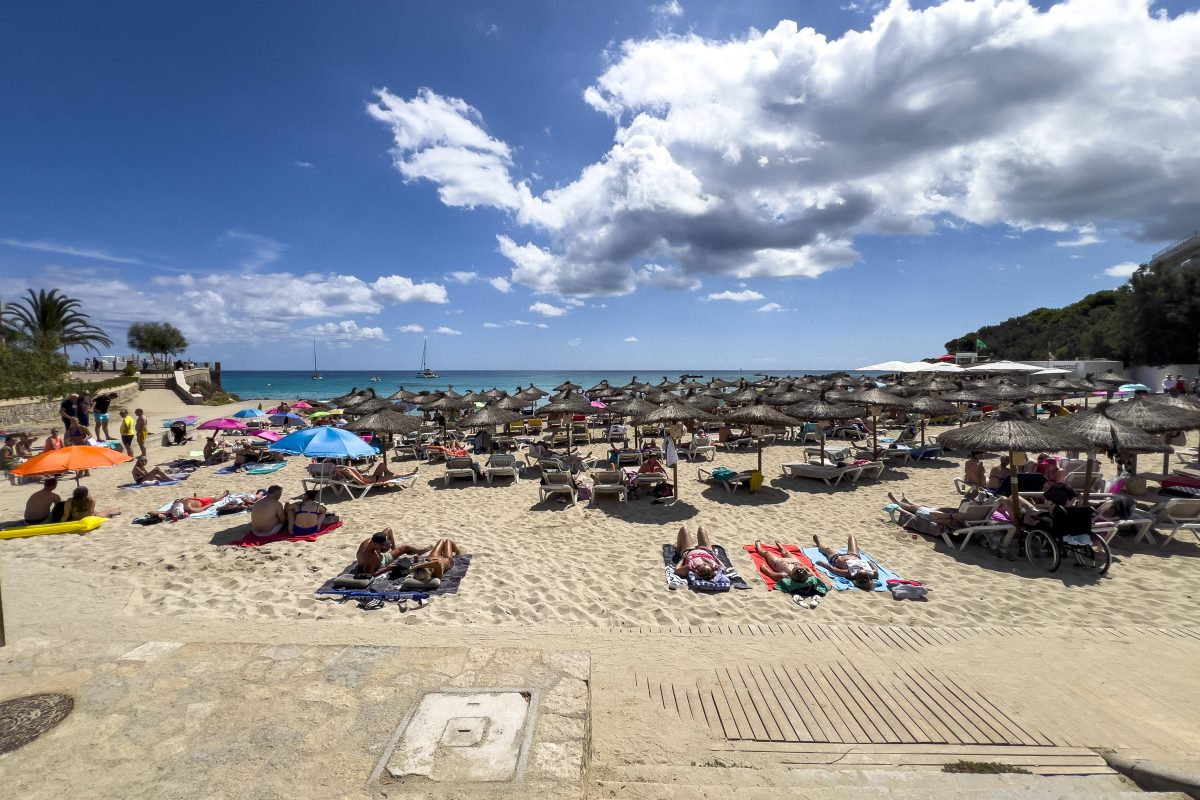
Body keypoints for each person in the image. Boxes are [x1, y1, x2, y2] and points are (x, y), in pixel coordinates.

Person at [753, 540, 828, 603]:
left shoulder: (785, 575)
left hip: (779, 562)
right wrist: (809, 572)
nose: (799, 569)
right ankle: (781, 547)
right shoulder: (807, 574)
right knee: (787, 553)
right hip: (795, 561)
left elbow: (771, 574)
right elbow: (808, 569)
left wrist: (764, 569)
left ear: (793, 575)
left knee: (767, 554)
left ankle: (758, 547)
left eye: (797, 569)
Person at [812, 533, 878, 590]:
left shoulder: (850, 573)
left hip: (838, 559)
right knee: (852, 537)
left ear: (856, 578)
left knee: (827, 549)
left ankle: (818, 543)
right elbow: (875, 568)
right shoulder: (873, 574)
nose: (862, 570)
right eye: (865, 576)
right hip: (854, 556)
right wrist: (870, 563)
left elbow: (833, 570)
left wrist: (822, 563)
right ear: (869, 578)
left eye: (860, 576)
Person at [887, 492, 967, 528]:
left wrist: (951, 515)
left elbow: (933, 514)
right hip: (936, 513)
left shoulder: (952, 521)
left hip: (929, 516)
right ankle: (907, 500)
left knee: (912, 508)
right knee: (922, 506)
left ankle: (897, 502)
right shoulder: (966, 518)